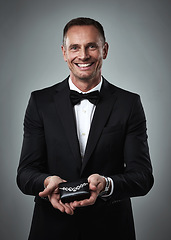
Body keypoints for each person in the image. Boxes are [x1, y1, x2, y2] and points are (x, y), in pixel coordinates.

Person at [17, 17, 154, 240]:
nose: (83, 55)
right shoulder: (39, 102)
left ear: (105, 50)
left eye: (91, 46)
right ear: (64, 52)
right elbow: (25, 173)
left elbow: (143, 177)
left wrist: (107, 185)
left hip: (111, 230)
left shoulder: (129, 104)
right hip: (51, 229)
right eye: (75, 47)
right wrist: (47, 183)